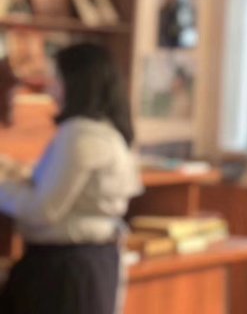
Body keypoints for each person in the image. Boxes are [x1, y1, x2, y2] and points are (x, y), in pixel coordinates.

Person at [0, 43, 142, 314]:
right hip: (89, 266)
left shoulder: (79, 134)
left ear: (75, 82)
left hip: (65, 272)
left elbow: (43, 209)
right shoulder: (105, 132)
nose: (49, 85)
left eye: (56, 76)